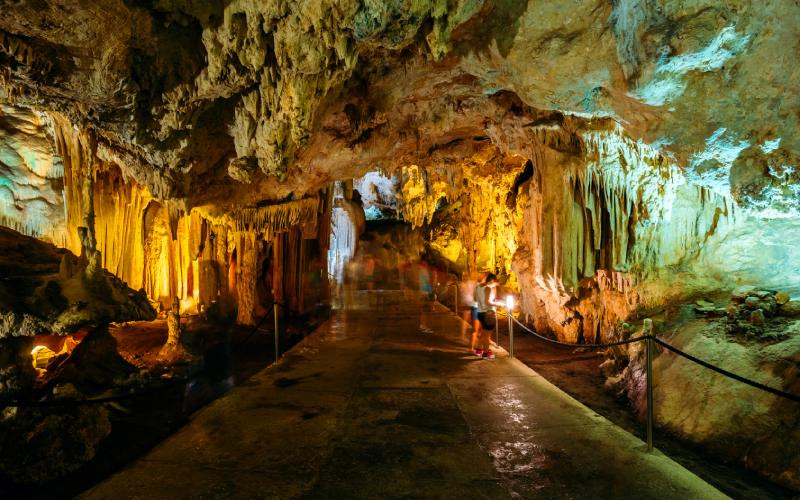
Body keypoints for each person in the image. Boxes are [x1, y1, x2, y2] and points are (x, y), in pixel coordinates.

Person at [473, 272, 503, 359]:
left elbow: (475, 299)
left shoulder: (478, 287)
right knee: (486, 336)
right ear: (492, 280)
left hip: (480, 313)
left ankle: (478, 349)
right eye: (495, 283)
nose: (494, 286)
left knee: (483, 333)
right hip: (488, 314)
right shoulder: (488, 289)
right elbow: (487, 302)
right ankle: (486, 353)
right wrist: (498, 304)